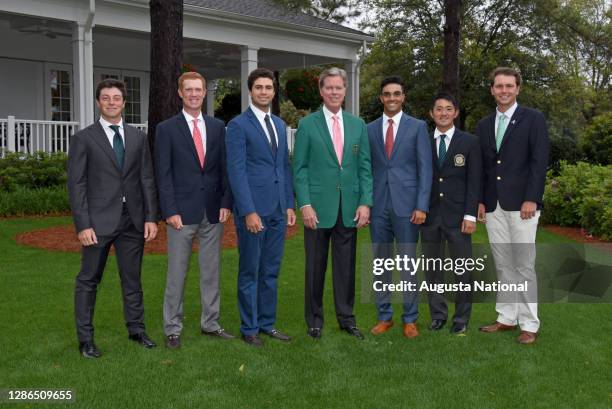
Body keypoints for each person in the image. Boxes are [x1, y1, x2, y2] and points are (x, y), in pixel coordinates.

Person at [67, 79, 158, 358]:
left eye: (116, 98)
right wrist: (83, 224)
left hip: (132, 220)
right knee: (89, 280)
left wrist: (151, 217)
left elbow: (146, 178)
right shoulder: (84, 138)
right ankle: (86, 340)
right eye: (105, 98)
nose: (111, 102)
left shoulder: (137, 137)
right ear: (98, 102)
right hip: (97, 223)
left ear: (124, 103)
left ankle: (136, 330)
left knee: (132, 279)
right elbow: (77, 184)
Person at [155, 71, 234, 349]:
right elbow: (162, 174)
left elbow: (225, 169)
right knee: (177, 273)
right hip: (181, 214)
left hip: (212, 211)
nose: (193, 94)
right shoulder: (166, 129)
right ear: (180, 93)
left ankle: (210, 323)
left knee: (211, 271)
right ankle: (172, 328)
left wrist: (226, 202)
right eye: (188, 90)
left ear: (204, 93)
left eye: (198, 90)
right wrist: (169, 210)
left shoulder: (217, 127)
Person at [293, 67, 373, 340]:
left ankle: (347, 318)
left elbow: (364, 168)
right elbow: (300, 168)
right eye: (329, 88)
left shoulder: (357, 124)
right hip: (316, 208)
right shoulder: (307, 125)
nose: (334, 92)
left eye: (339, 88)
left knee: (346, 268)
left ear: (345, 90)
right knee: (315, 267)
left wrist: (365, 203)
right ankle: (314, 320)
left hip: (349, 207)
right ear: (321, 90)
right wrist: (304, 204)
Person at [476, 67, 549, 344]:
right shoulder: (484, 125)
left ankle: (529, 324)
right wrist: (481, 200)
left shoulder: (533, 119)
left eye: (509, 85)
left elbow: (538, 162)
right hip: (494, 205)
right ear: (492, 90)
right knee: (504, 264)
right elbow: (483, 167)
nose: (504, 90)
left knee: (524, 265)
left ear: (518, 88)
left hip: (523, 206)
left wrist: (531, 197)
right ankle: (506, 317)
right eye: (499, 86)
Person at [225, 68, 295, 347]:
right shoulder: (238, 126)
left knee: (271, 270)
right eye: (259, 88)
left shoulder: (279, 124)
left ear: (273, 91)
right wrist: (248, 211)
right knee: (250, 271)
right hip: (254, 211)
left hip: (278, 208)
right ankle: (249, 327)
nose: (264, 92)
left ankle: (268, 323)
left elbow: (283, 166)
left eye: (268, 87)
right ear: (250, 91)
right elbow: (236, 171)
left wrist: (289, 204)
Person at [367, 76, 432, 338]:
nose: (391, 98)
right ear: (381, 98)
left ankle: (410, 319)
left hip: (408, 207)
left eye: (396, 93)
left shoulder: (417, 127)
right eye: (386, 94)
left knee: (407, 264)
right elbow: (366, 169)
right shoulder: (369, 129)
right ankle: (385, 317)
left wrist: (421, 205)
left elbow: (425, 169)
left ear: (403, 97)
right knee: (380, 264)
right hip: (378, 205)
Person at [421, 92, 481, 334]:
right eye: (438, 109)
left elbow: (474, 180)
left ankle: (461, 319)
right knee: (432, 269)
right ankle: (438, 315)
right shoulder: (423, 140)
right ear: (431, 114)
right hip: (429, 216)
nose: (443, 113)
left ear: (455, 112)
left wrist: (470, 215)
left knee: (462, 270)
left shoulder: (469, 142)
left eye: (448, 109)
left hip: (458, 217)